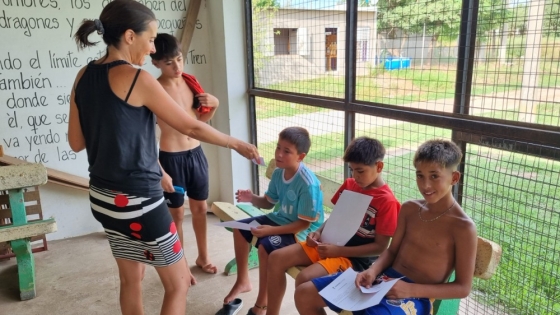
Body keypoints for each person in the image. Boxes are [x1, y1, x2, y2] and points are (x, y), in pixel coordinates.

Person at [68, 1, 259, 314]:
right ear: (130, 36)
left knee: (132, 280)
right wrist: (236, 143)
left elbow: (77, 142)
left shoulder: (83, 75)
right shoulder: (136, 78)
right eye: (151, 38)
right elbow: (188, 125)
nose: (153, 47)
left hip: (103, 198)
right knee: (179, 283)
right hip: (138, 201)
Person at [295, 139, 477, 315]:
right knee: (304, 294)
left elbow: (462, 288)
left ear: (454, 178)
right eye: (420, 175)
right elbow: (391, 251)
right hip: (383, 279)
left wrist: (410, 290)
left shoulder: (463, 228)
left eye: (434, 176)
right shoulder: (410, 209)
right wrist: (372, 271)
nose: (425, 184)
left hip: (416, 296)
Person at [265, 136, 401, 315]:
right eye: (352, 170)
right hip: (328, 245)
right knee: (276, 257)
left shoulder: (387, 201)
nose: (355, 176)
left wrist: (338, 251)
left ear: (379, 166)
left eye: (360, 171)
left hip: (355, 260)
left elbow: (380, 247)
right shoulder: (350, 185)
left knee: (304, 279)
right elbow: (336, 218)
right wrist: (318, 233)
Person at [216, 127, 324, 315]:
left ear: (301, 156)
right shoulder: (278, 172)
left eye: (287, 151)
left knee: (266, 247)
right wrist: (252, 198)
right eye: (278, 147)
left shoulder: (308, 183)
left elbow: (304, 224)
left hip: (302, 232)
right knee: (240, 229)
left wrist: (269, 231)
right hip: (280, 219)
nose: (279, 154)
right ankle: (243, 281)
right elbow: (268, 203)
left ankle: (262, 306)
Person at [150, 33, 218, 275]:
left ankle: (203, 257)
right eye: (169, 63)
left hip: (196, 155)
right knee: (176, 214)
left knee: (200, 209)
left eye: (179, 59)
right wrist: (160, 170)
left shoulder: (190, 82)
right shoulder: (154, 90)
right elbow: (145, 137)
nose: (177, 67)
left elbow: (199, 122)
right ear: (155, 62)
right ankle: (180, 264)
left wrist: (215, 104)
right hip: (171, 158)